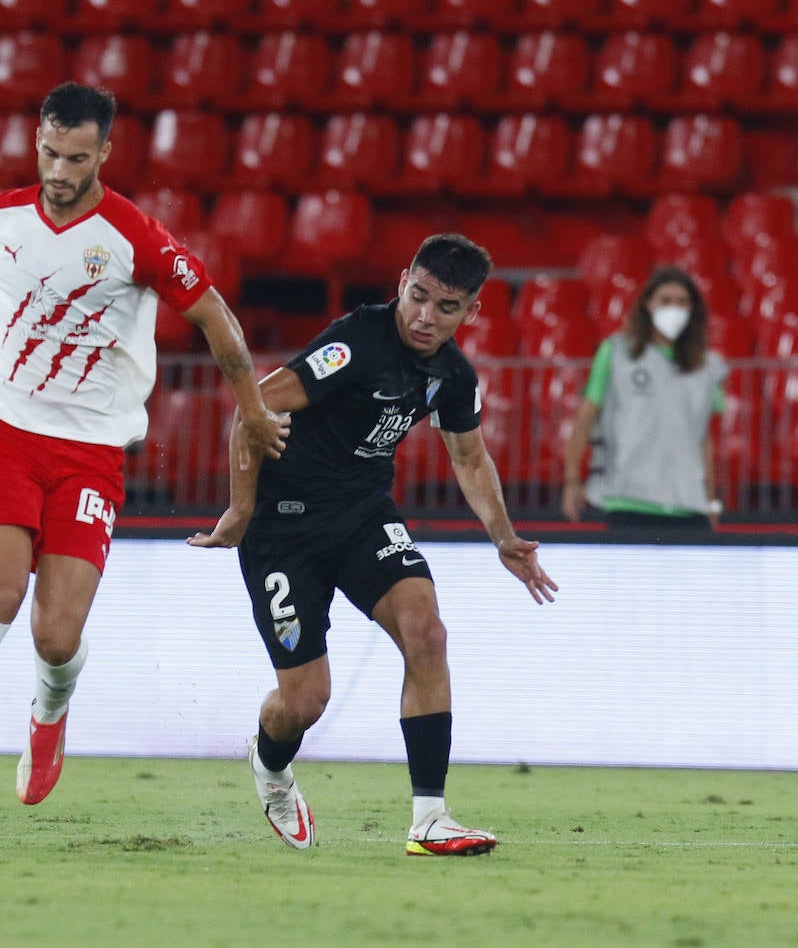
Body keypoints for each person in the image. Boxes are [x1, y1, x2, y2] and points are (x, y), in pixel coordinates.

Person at [0, 82, 288, 847]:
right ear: (36, 140)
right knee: (0, 588)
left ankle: (49, 708)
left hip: (90, 451)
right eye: (49, 151)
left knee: (55, 635)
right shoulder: (6, 214)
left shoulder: (134, 235)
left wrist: (249, 404)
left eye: (76, 157)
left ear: (104, 154)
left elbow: (213, 312)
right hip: (3, 426)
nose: (59, 168)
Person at [190, 233, 558, 855]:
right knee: (304, 701)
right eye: (418, 297)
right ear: (402, 281)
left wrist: (504, 537)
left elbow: (469, 457)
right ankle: (272, 765)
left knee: (428, 634)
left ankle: (429, 820)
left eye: (445, 308)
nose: (424, 316)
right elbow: (255, 407)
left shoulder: (452, 376)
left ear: (470, 312)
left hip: (363, 518)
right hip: (285, 528)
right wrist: (242, 508)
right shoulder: (355, 344)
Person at [562, 266, 727, 532]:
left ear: (693, 309)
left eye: (682, 302)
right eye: (666, 300)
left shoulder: (707, 366)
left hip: (688, 503)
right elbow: (585, 417)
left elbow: (703, 438)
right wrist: (572, 480)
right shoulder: (616, 352)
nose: (674, 308)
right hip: (629, 500)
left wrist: (710, 500)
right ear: (648, 304)